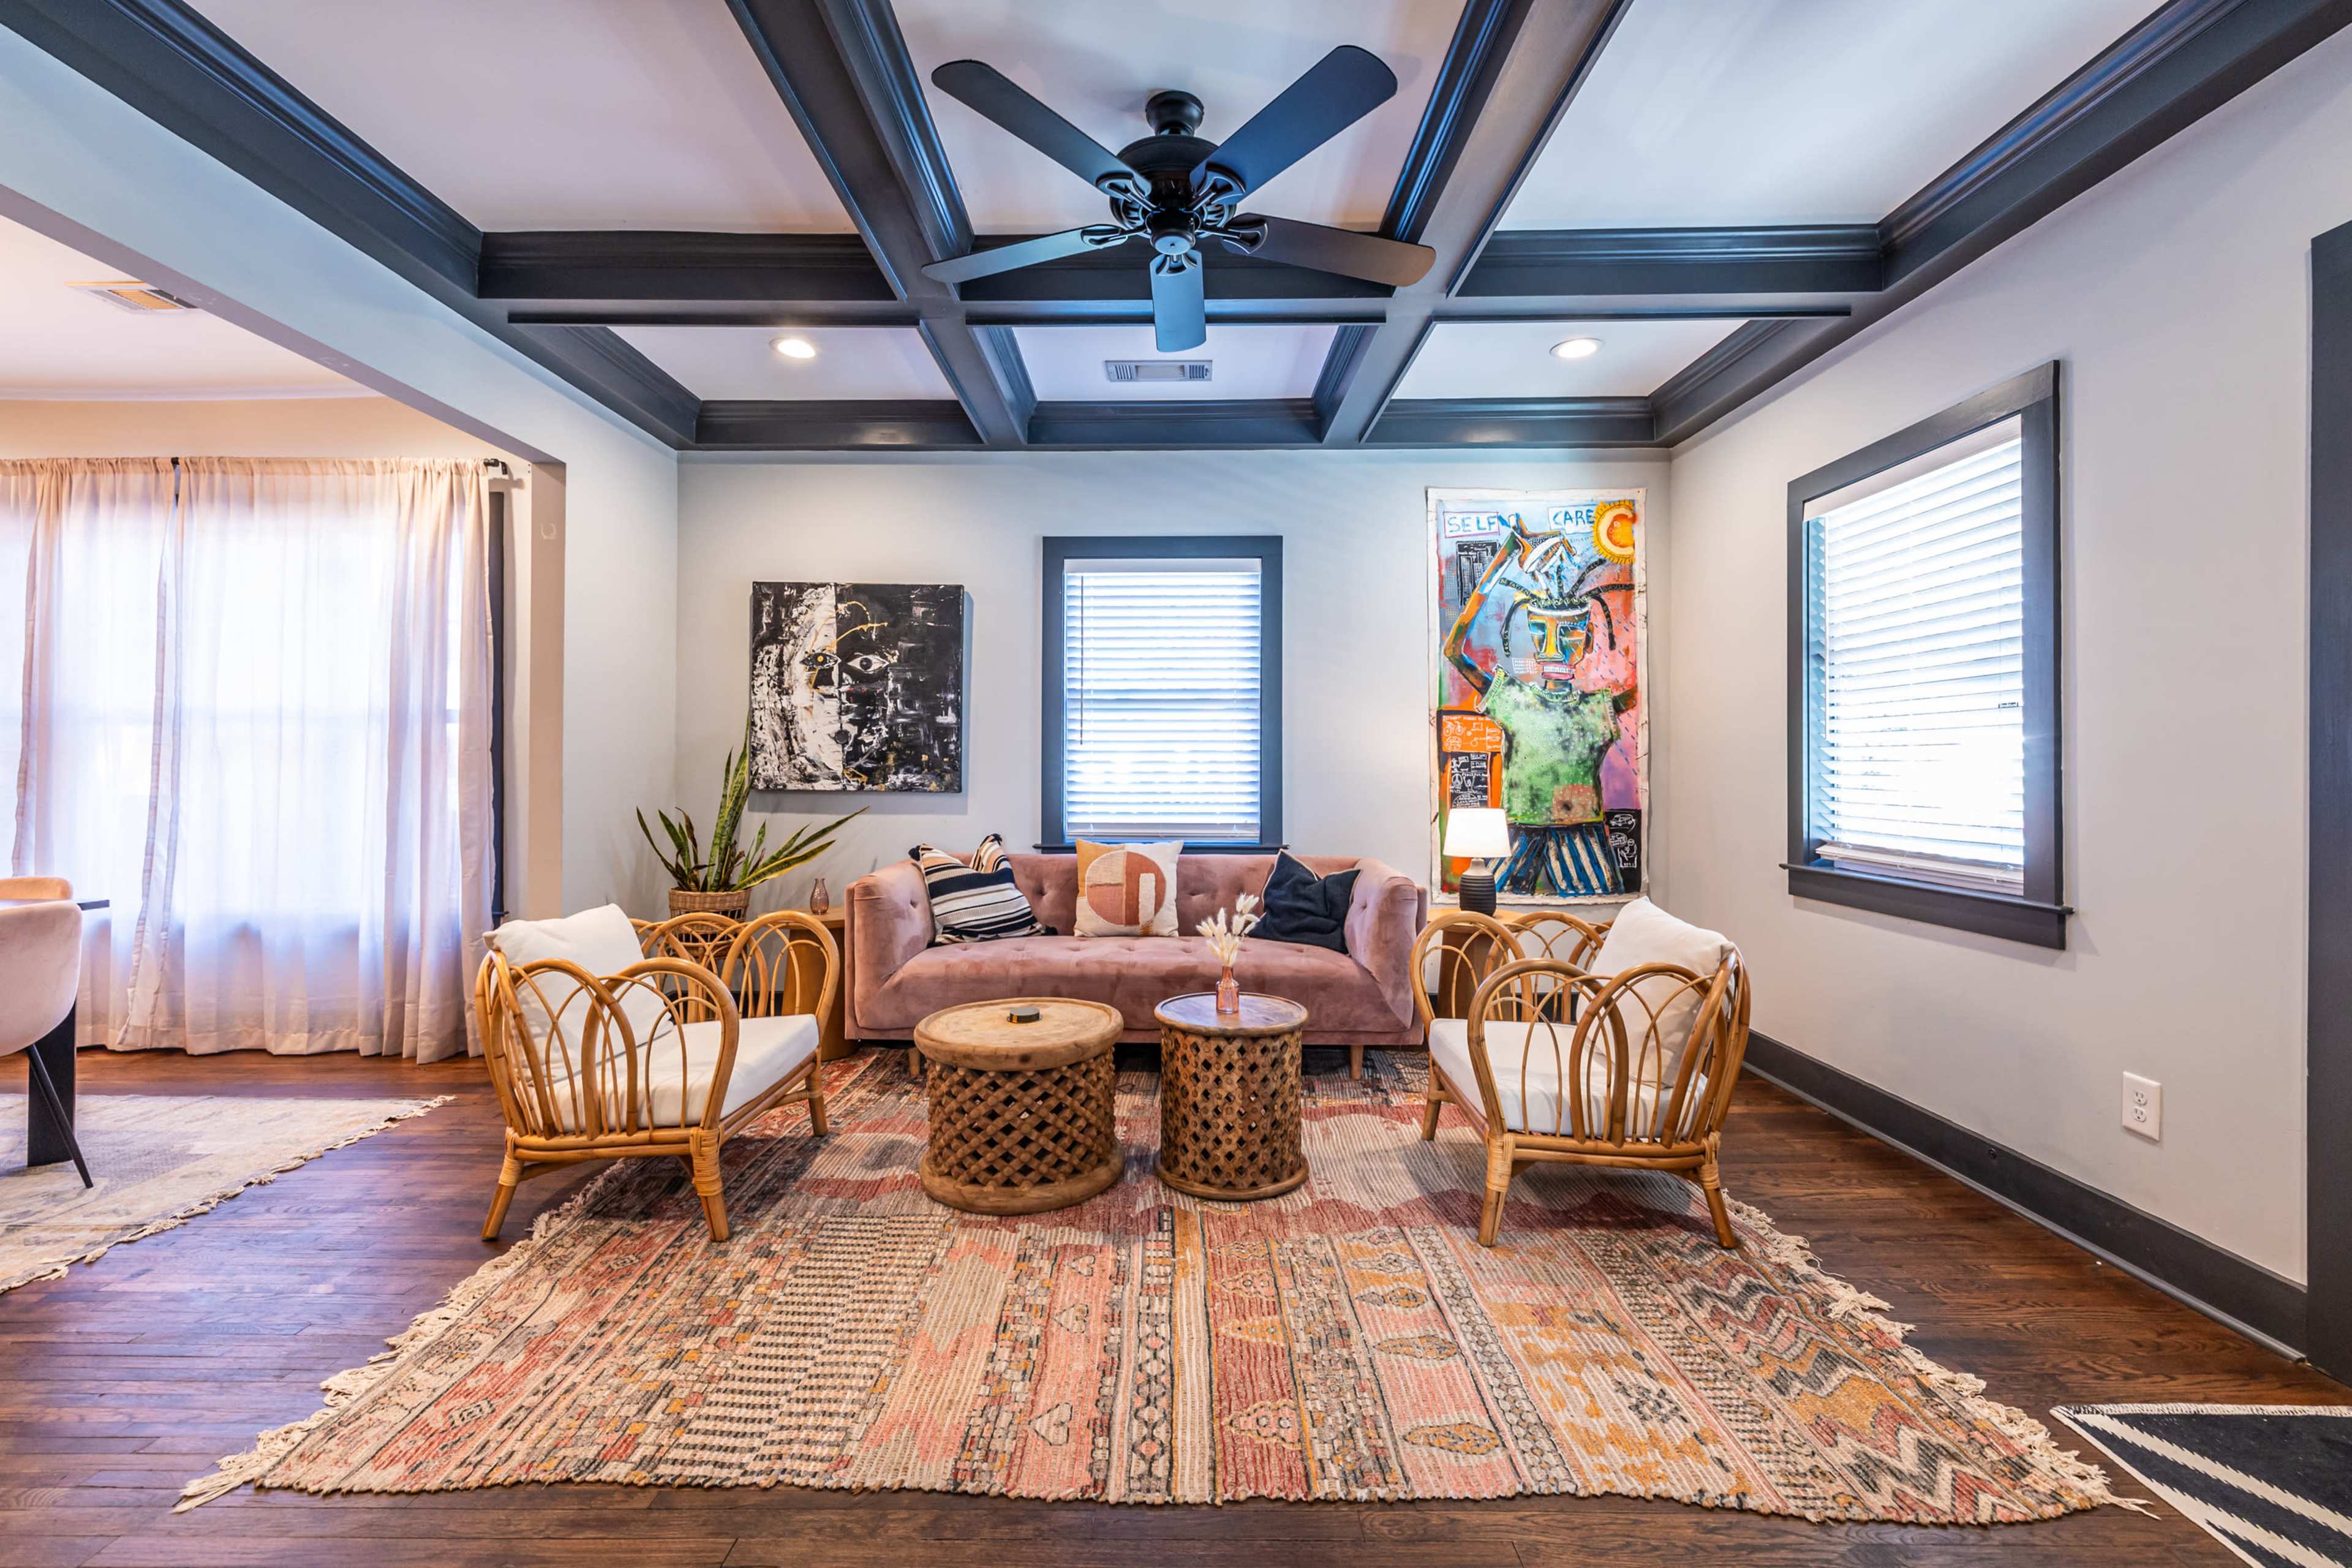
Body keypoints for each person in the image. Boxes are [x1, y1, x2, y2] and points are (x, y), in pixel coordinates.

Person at [1442, 518, 1637, 896]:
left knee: (1600, 914)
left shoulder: (1598, 709)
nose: (1553, 647)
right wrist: (1506, 554)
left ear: (1587, 638)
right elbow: (1453, 650)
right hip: (1518, 829)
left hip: (1581, 833)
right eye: (1540, 630)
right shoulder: (1513, 698)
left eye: (1569, 631)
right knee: (1488, 915)